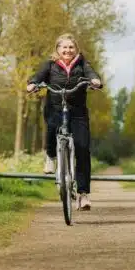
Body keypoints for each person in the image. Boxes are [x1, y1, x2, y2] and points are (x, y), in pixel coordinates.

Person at [27, 33, 102, 211]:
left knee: (83, 148)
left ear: (76, 49)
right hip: (55, 107)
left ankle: (83, 194)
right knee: (52, 127)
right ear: (57, 49)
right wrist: (33, 84)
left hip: (77, 111)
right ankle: (51, 156)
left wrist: (94, 80)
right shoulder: (50, 64)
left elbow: (91, 73)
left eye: (71, 47)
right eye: (64, 47)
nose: (68, 50)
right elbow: (38, 76)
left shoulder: (82, 63)